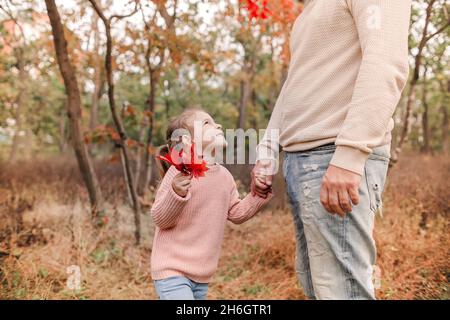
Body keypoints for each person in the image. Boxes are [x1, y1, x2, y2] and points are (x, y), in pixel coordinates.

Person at [252, 0, 412, 299]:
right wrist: (267, 148)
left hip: (334, 157)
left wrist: (349, 156)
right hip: (300, 160)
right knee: (318, 287)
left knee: (342, 292)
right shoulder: (309, 12)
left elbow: (385, 62)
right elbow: (294, 85)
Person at [151, 109, 273, 300]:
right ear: (186, 141)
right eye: (207, 123)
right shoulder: (178, 174)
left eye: (214, 122)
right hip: (172, 270)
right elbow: (160, 219)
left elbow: (235, 213)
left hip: (202, 275)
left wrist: (257, 196)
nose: (218, 126)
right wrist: (176, 193)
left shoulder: (224, 177)